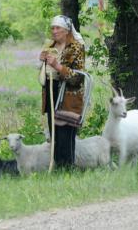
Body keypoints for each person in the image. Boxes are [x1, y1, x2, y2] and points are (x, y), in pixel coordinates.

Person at [39, 15, 85, 169]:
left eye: (57, 28)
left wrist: (58, 66)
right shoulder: (51, 46)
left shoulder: (76, 47)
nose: (54, 31)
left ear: (66, 30)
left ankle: (69, 168)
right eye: (52, 28)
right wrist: (42, 62)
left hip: (69, 97)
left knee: (66, 135)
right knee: (55, 136)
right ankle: (58, 168)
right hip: (52, 93)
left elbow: (78, 78)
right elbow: (45, 73)